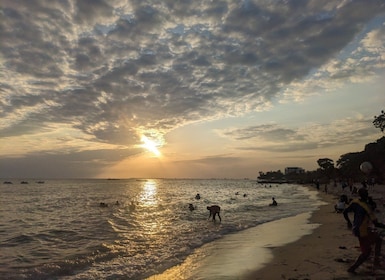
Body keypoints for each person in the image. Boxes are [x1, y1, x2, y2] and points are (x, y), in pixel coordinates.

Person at [343, 188, 385, 274]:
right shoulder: (366, 207)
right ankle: (352, 268)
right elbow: (376, 223)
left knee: (377, 240)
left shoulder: (355, 202)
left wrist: (349, 222)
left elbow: (345, 212)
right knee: (367, 252)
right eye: (366, 193)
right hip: (362, 231)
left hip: (356, 229)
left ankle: (376, 262)